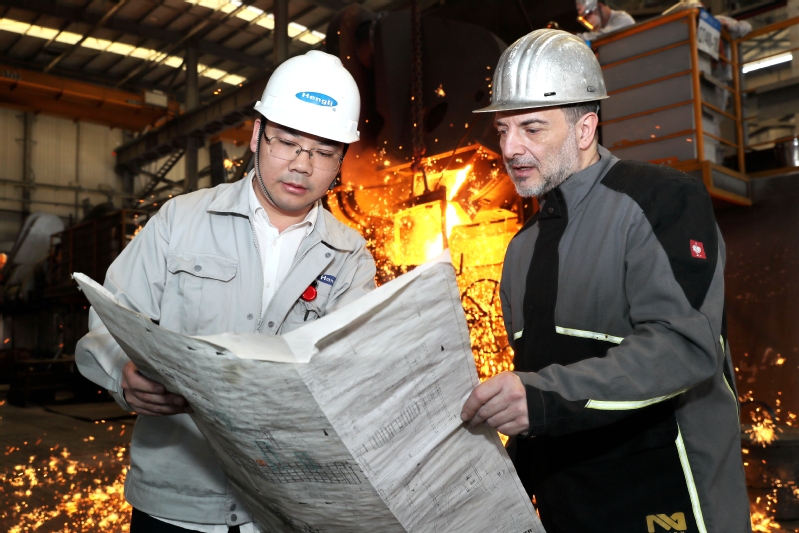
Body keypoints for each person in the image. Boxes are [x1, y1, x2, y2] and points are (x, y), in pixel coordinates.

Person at [461, 29, 750, 532]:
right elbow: (536, 391)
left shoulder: (661, 201)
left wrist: (543, 399)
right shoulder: (521, 249)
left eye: (531, 128)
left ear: (584, 128)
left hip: (667, 499)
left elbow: (683, 347)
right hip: (570, 511)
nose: (510, 148)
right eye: (503, 129)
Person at [75, 50, 376, 533]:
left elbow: (354, 370)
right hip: (177, 503)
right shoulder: (180, 220)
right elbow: (111, 317)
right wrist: (122, 372)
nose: (302, 165)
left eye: (323, 153)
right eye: (287, 142)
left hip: (283, 509)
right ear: (256, 135)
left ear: (342, 159)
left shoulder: (348, 256)